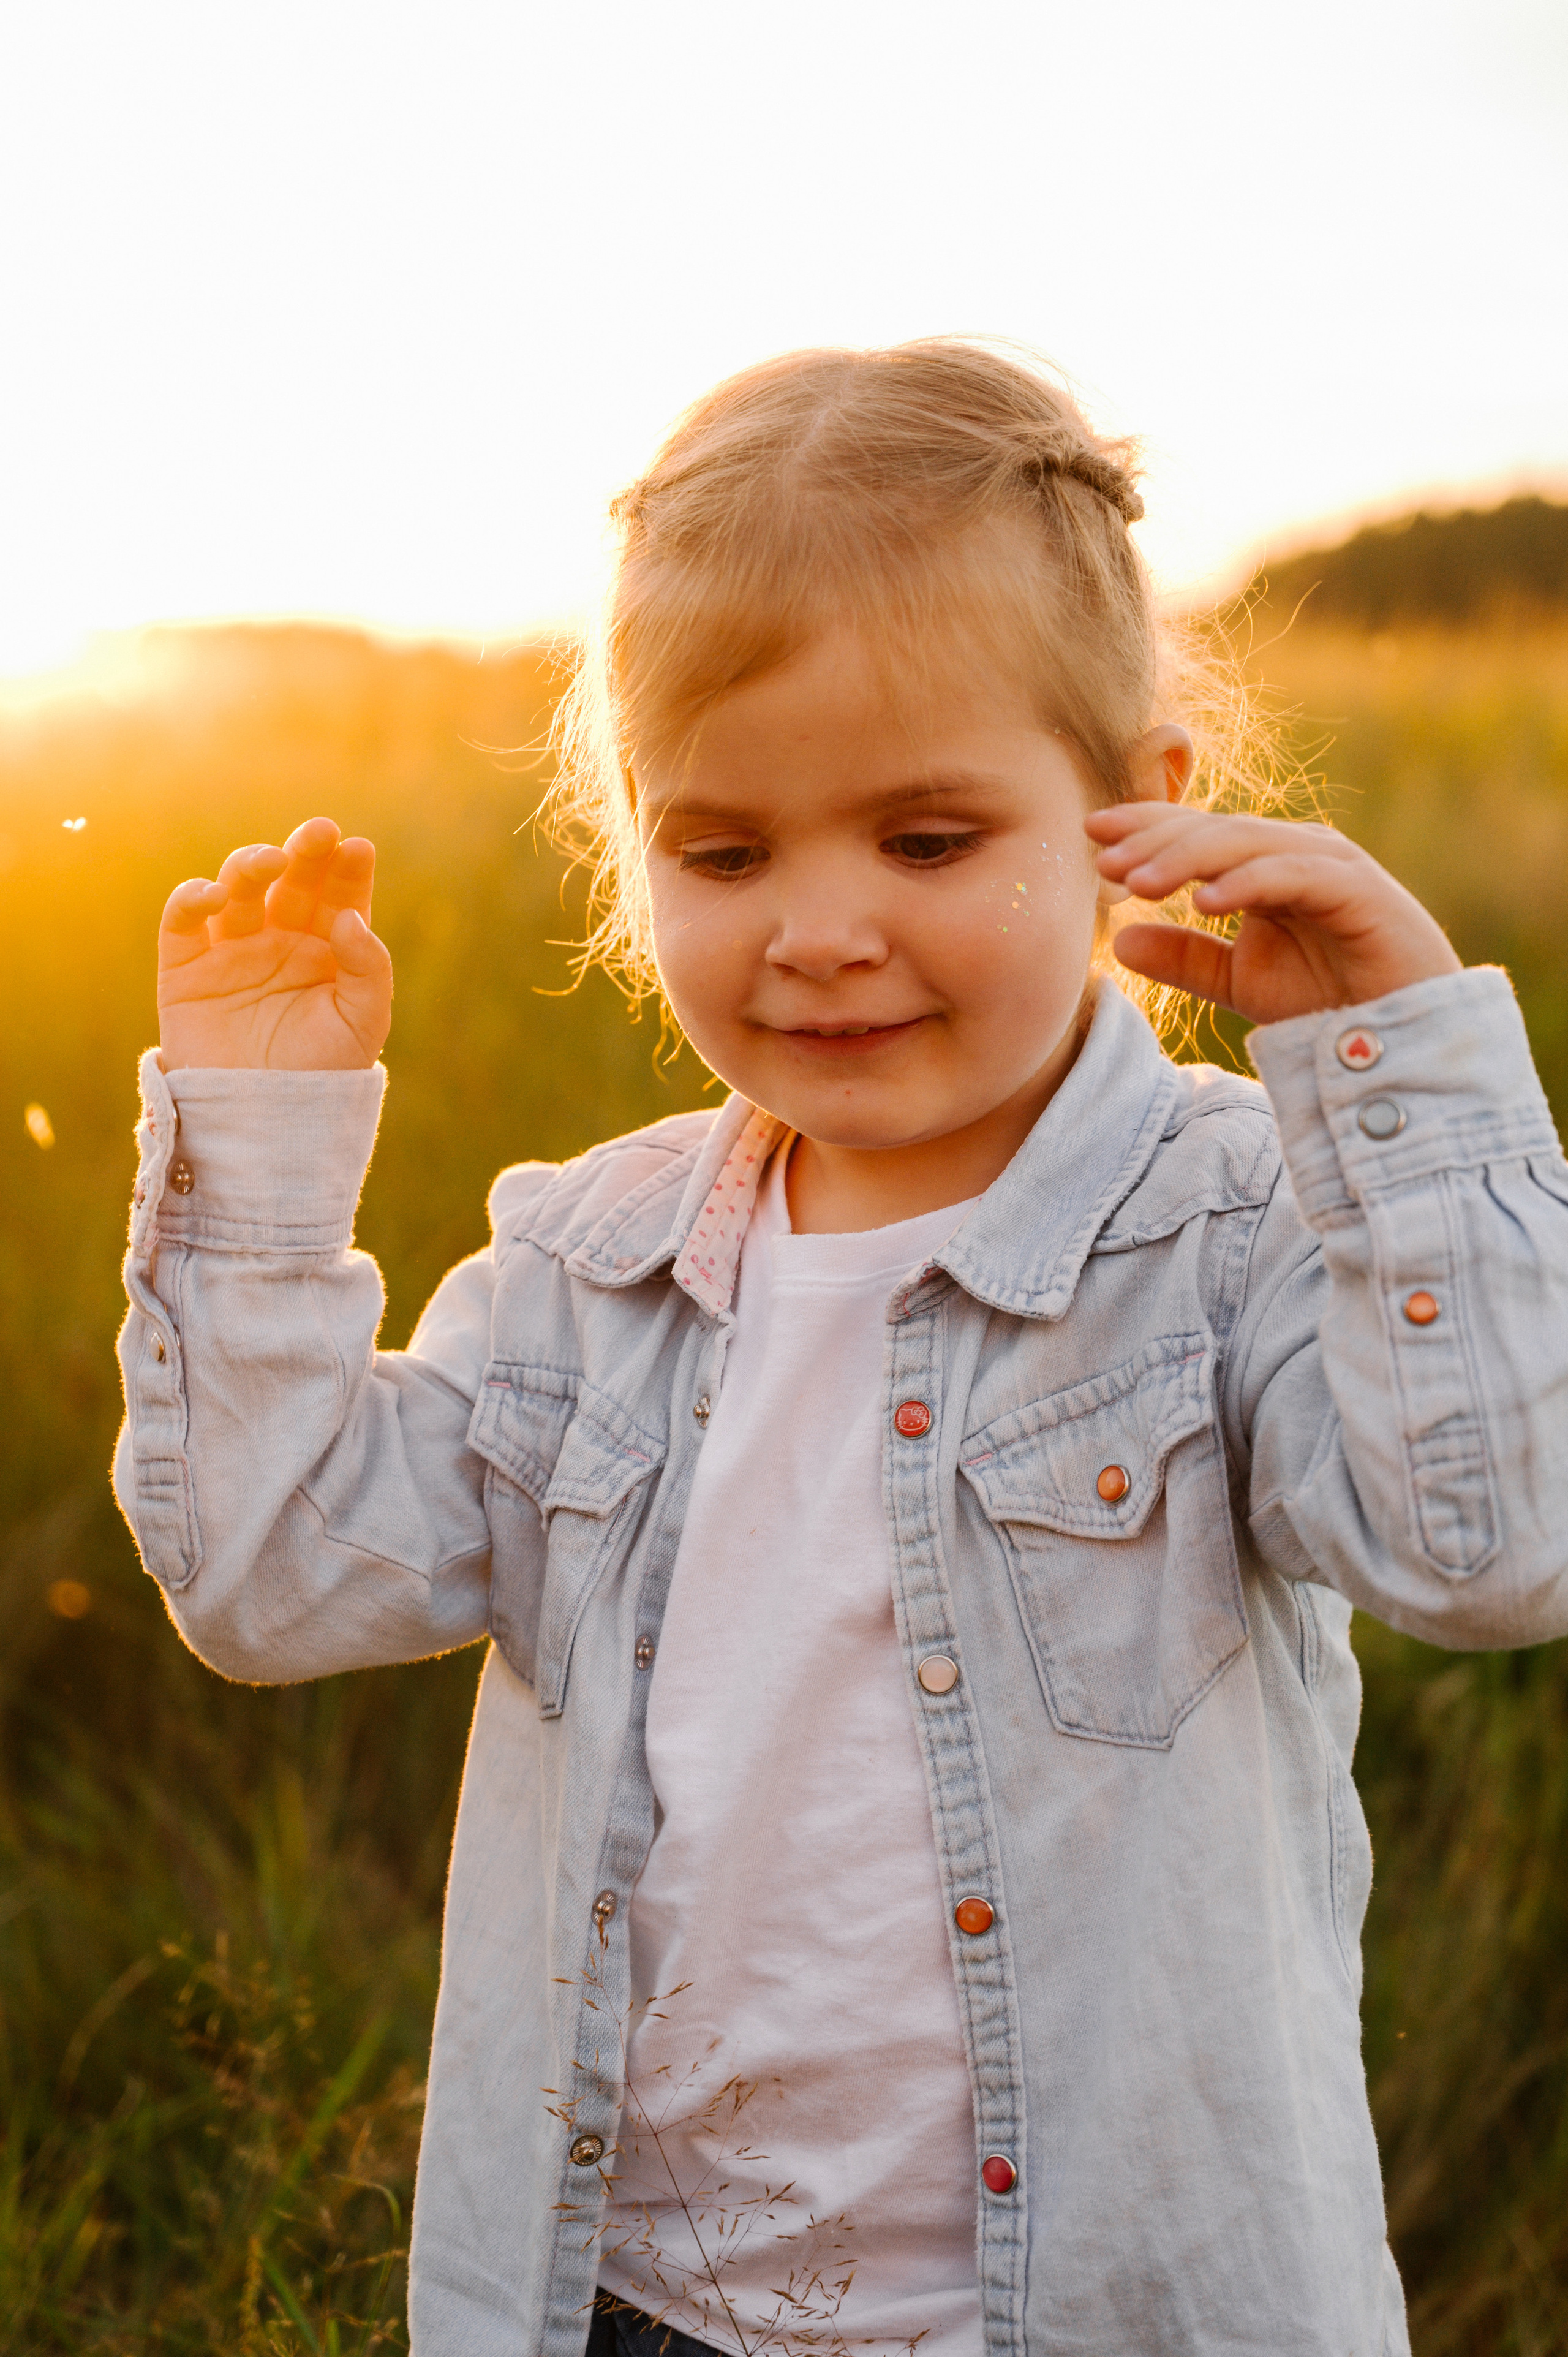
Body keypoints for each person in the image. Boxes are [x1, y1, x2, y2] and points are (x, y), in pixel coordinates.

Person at [115, 341, 1568, 2357]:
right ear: (633, 840)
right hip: (622, 2306)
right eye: (724, 853)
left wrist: (1392, 1079)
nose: (816, 927)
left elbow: (1492, 1552)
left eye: (927, 840)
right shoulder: (583, 1267)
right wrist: (260, 1170)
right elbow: (269, 1582)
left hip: (1105, 2305)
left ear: (1138, 812)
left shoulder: (1228, 1229)